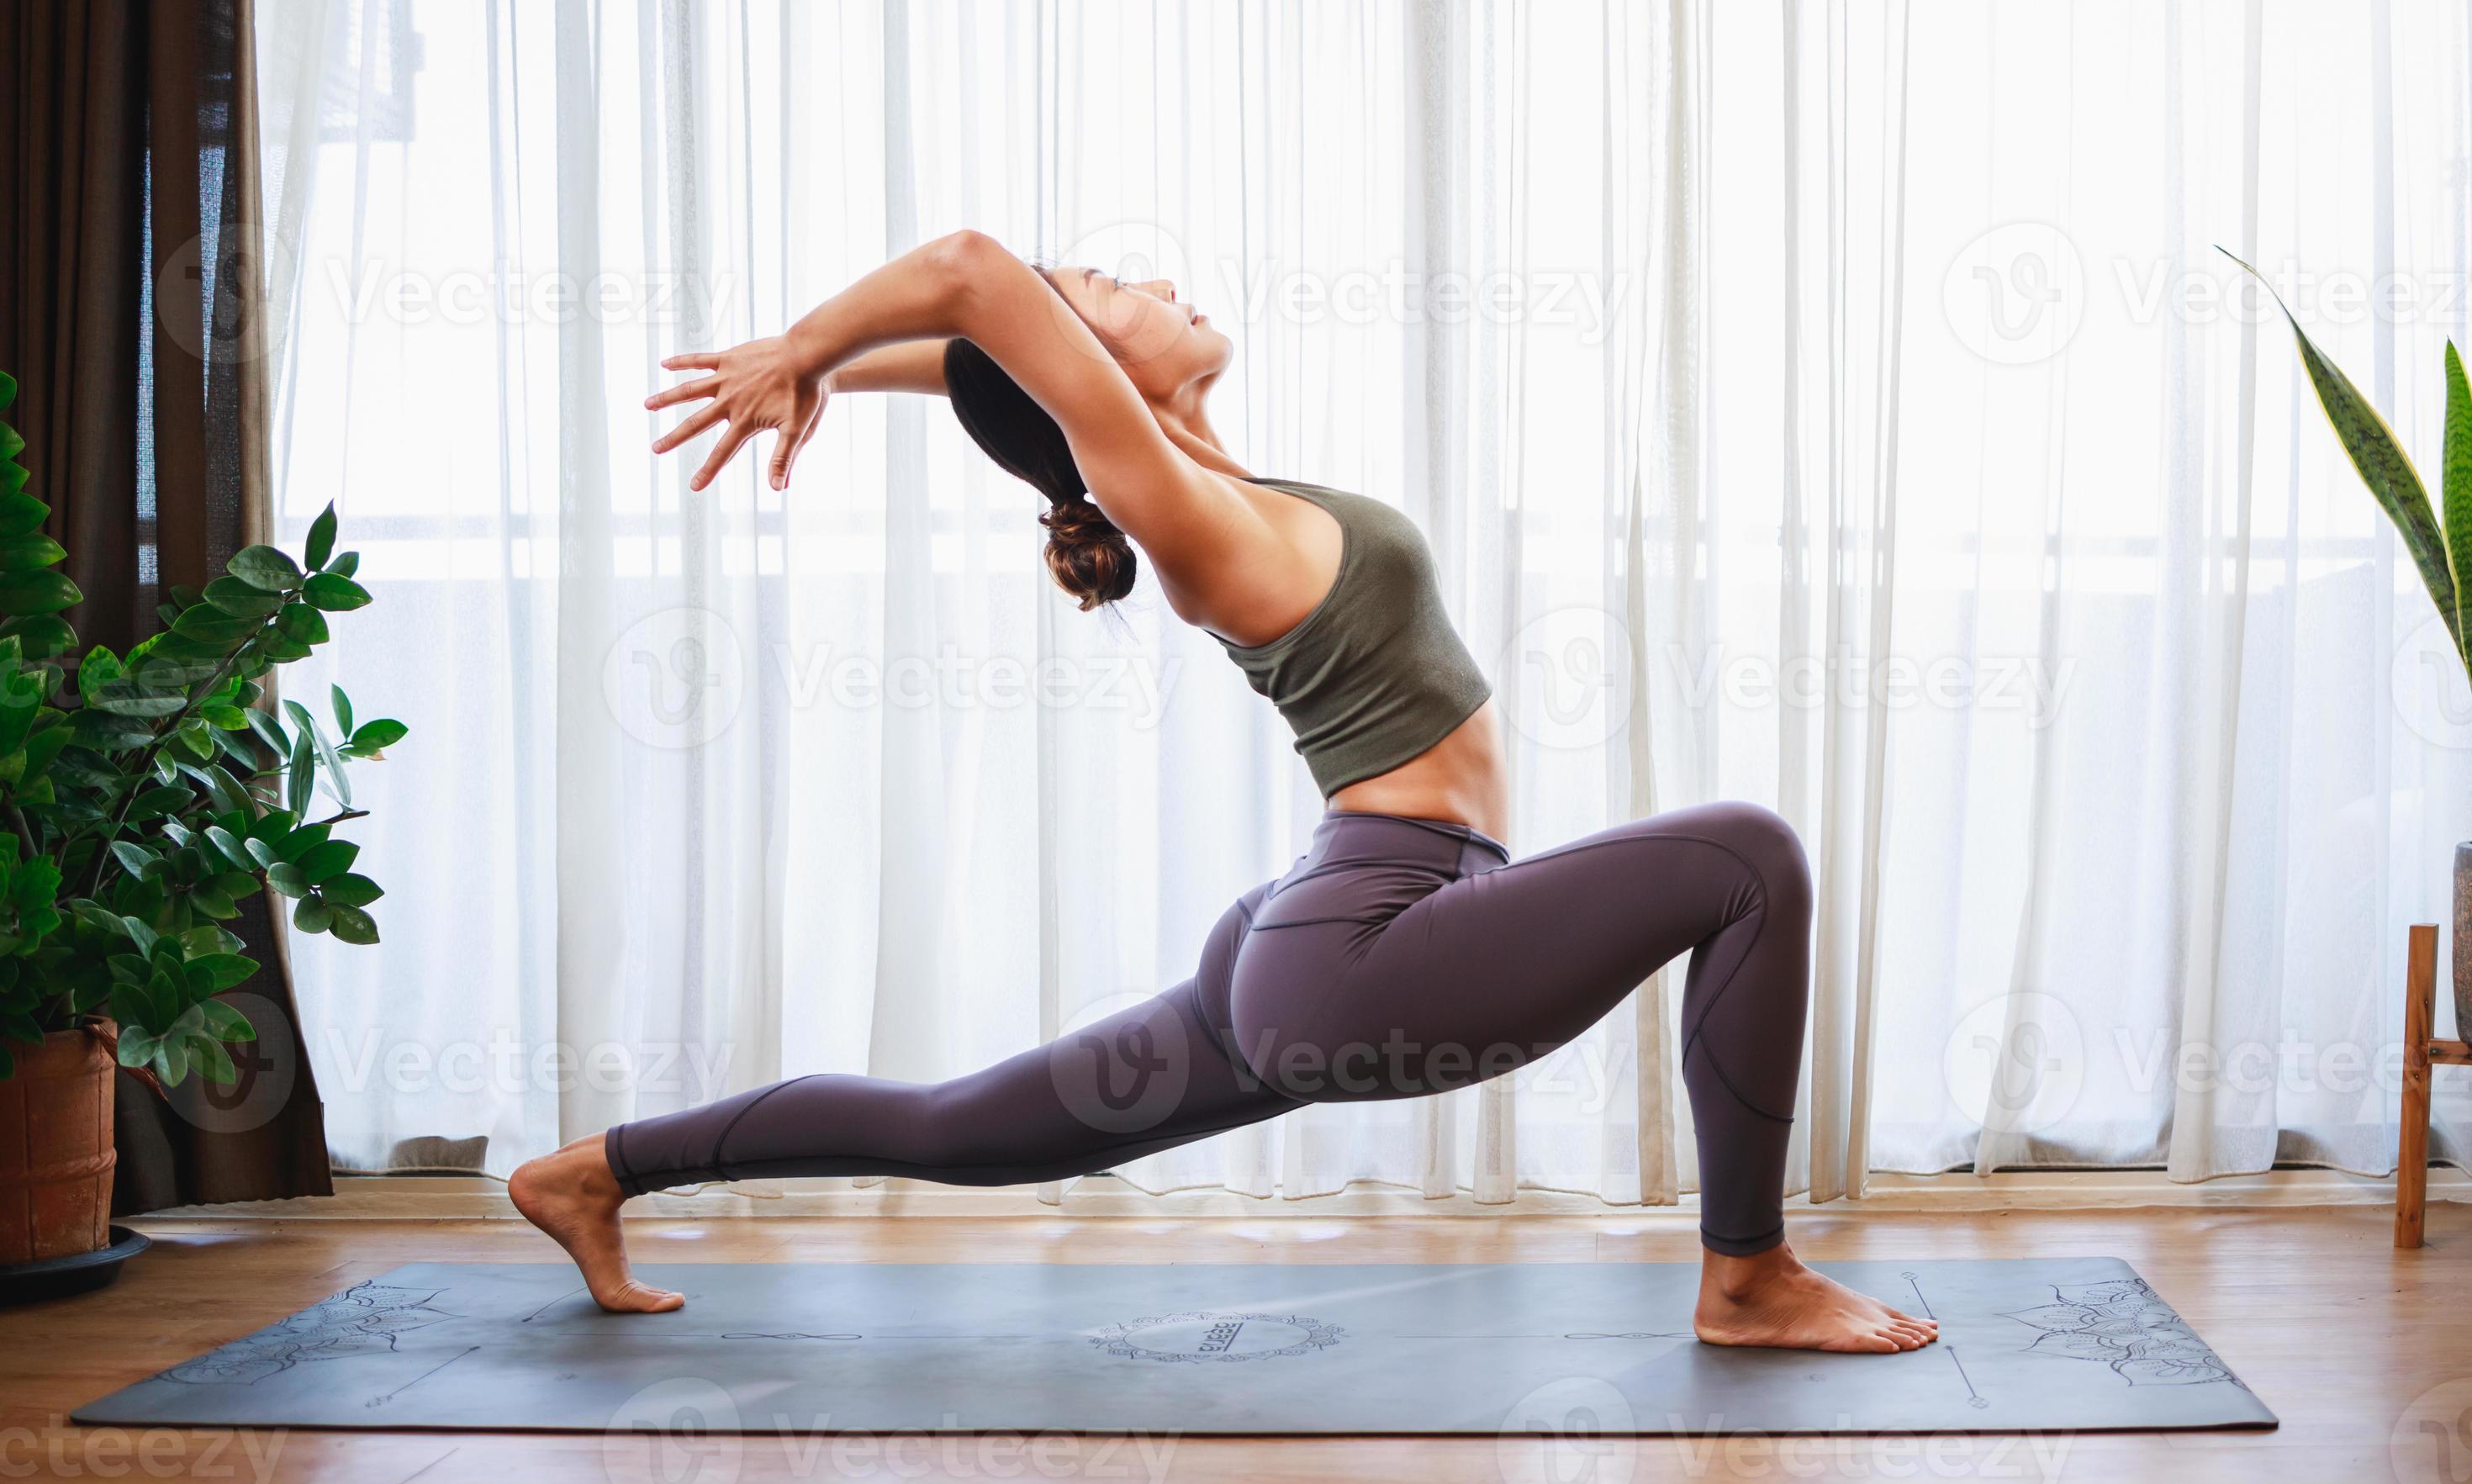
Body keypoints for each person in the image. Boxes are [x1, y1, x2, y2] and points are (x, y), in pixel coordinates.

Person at [510, 230, 1938, 1354]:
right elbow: (966, 277)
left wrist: (833, 366)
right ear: (1086, 368)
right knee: (1748, 856)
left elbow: (978, 350)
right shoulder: (1177, 512)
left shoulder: (1199, 477)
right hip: (1363, 949)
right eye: (1108, 288)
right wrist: (809, 341)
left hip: (1323, 940)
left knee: (959, 1128)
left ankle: (597, 1172)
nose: (1156, 280)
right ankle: (1748, 1278)